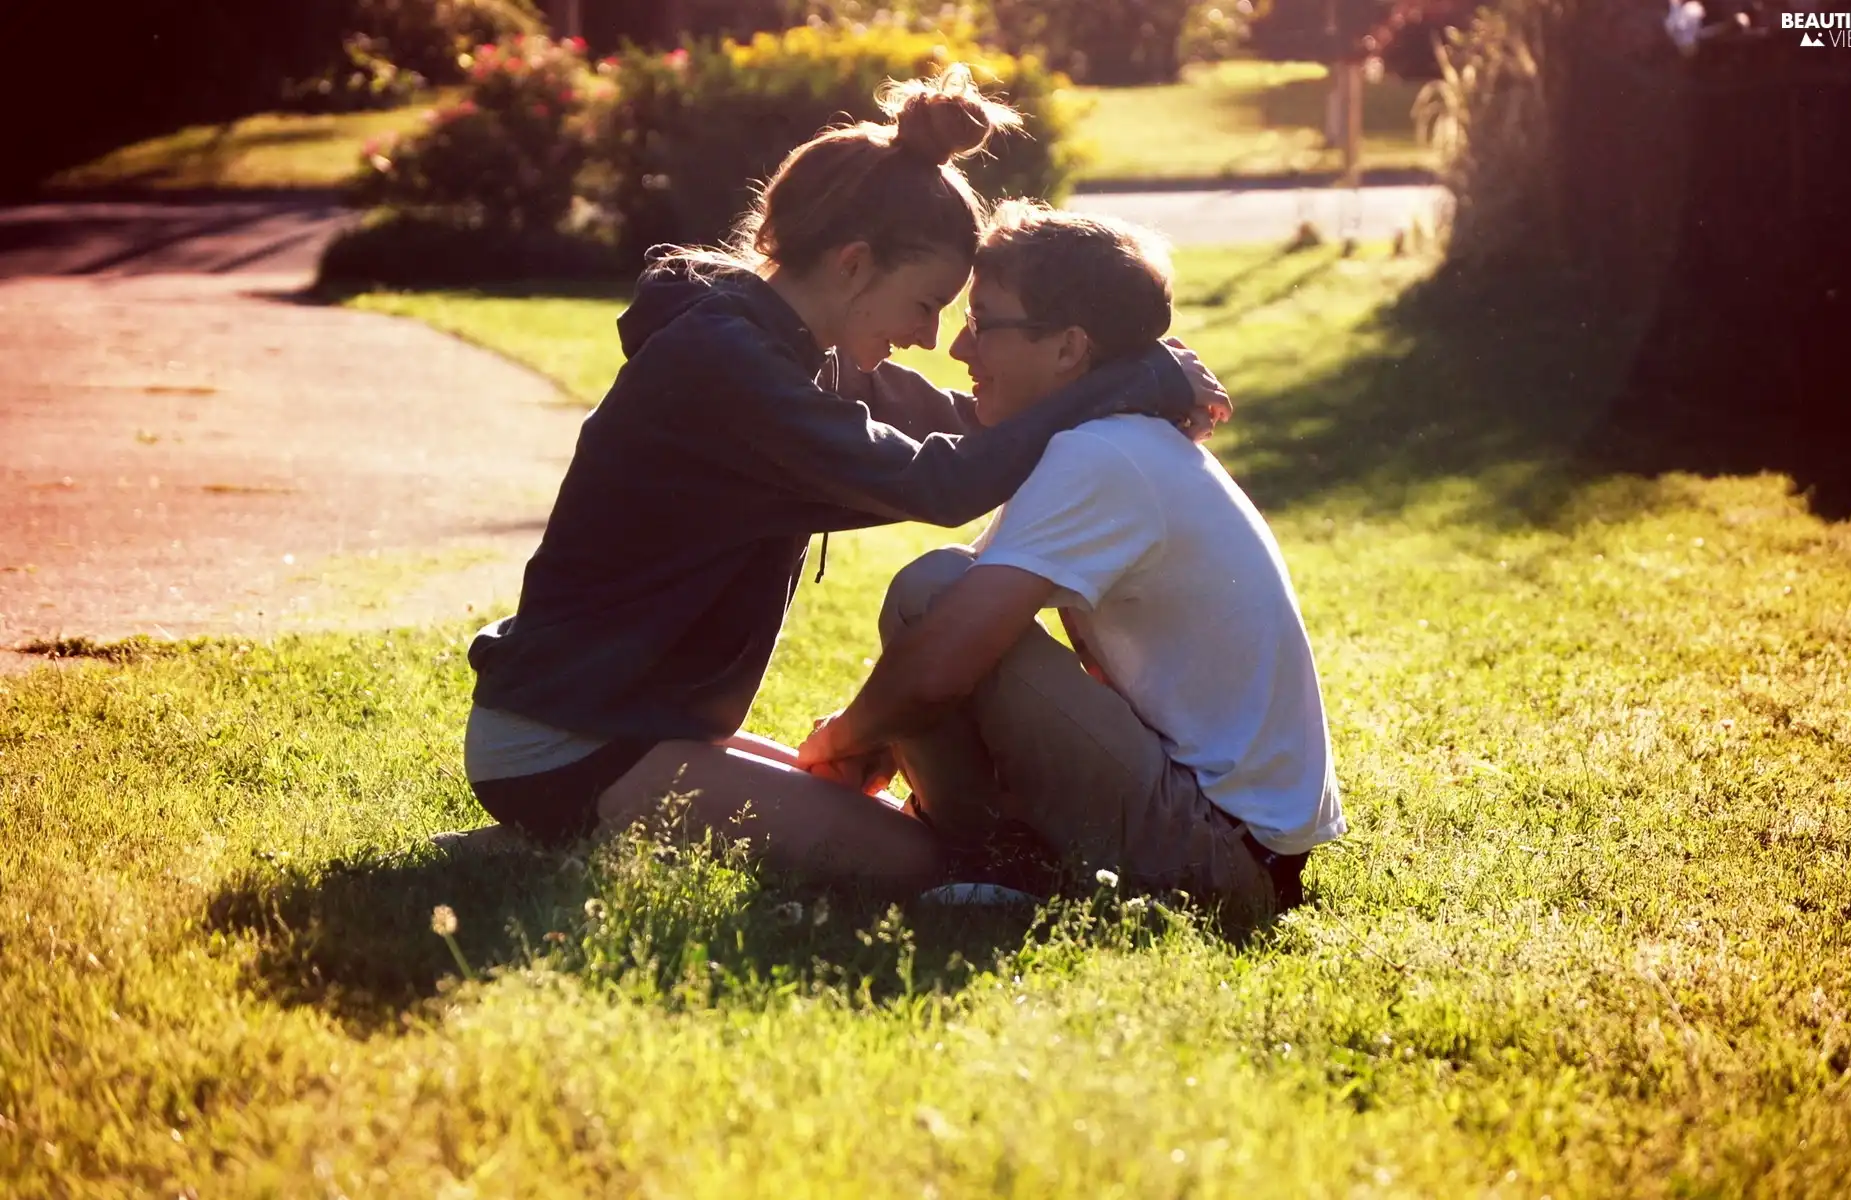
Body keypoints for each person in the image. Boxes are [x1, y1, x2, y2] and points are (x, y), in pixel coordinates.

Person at [451, 68, 1231, 895]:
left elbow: (973, 428)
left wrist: (1098, 372)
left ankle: (560, 828)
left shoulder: (786, 348)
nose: (930, 339)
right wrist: (1126, 382)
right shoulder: (726, 366)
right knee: (922, 863)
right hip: (566, 739)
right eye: (927, 303)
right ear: (855, 264)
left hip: (630, 725)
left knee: (864, 814)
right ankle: (558, 821)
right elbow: (941, 483)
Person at [797, 202, 1345, 914]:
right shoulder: (1106, 443)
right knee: (943, 596)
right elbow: (954, 651)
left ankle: (997, 865)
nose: (960, 351)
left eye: (982, 323)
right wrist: (876, 736)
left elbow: (940, 662)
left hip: (1223, 860)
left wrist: (840, 739)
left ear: (1068, 349)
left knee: (929, 592)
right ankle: (993, 854)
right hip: (1232, 842)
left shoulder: (1103, 455)